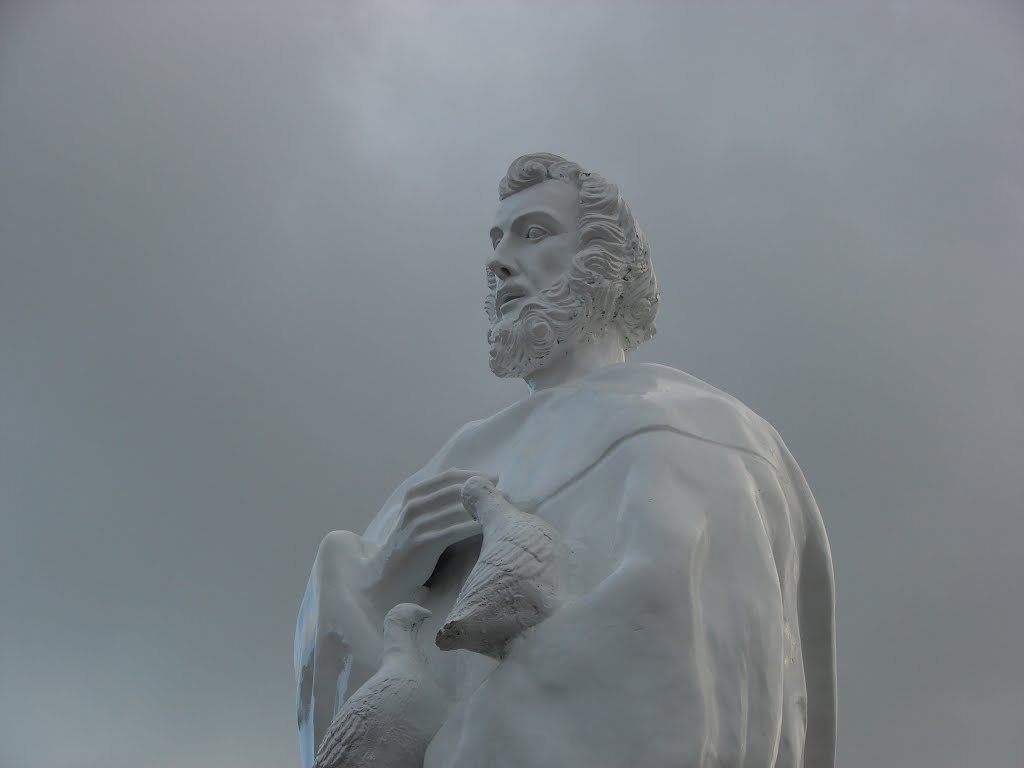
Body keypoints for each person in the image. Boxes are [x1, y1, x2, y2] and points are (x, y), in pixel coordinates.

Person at [295, 153, 836, 768]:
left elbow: (679, 674)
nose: (498, 261)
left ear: (603, 264)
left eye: (533, 233)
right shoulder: (447, 469)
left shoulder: (690, 430)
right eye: (496, 241)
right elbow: (347, 722)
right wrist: (377, 574)